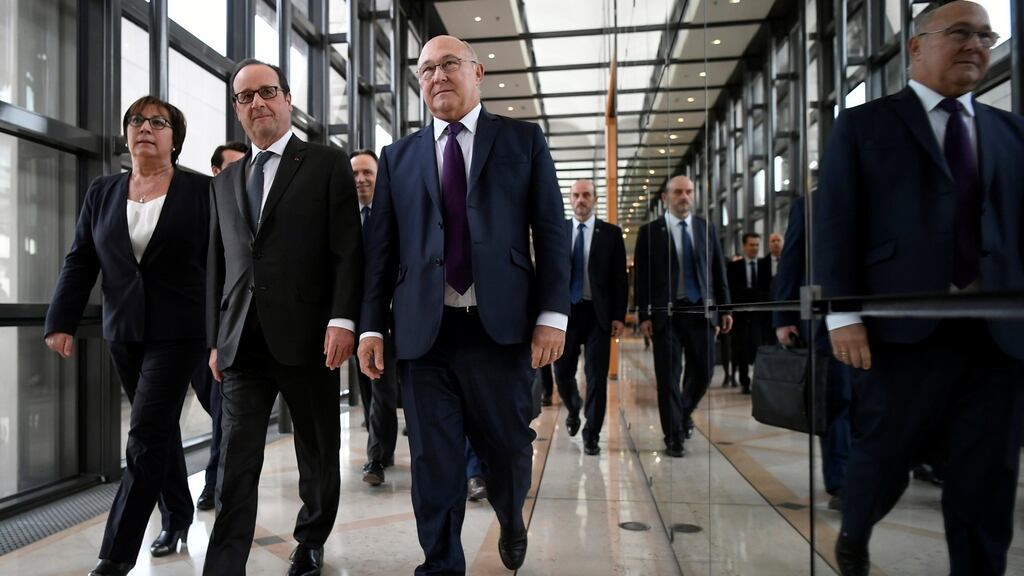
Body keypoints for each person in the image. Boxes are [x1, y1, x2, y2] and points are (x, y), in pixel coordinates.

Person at [813, 3, 1024, 575]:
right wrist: (842, 315)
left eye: (986, 35)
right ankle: (855, 530)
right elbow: (836, 223)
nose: (976, 45)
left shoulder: (1010, 131)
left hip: (996, 335)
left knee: (989, 476)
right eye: (959, 32)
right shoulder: (866, 124)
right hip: (903, 328)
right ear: (915, 45)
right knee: (885, 455)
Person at [357, 35, 568, 574]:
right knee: (434, 459)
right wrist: (370, 327)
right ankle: (441, 563)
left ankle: (510, 515)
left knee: (507, 449)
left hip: (500, 329)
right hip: (424, 334)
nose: (437, 76)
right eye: (426, 69)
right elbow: (381, 251)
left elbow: (550, 231)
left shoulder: (522, 141)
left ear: (478, 73)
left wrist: (552, 315)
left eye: (449, 64)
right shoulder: (398, 157)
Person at [204, 59, 363, 576]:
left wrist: (342, 319)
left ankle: (311, 538)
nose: (258, 104)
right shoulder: (226, 181)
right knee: (235, 460)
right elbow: (218, 266)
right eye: (246, 97)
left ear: (287, 99)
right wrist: (215, 338)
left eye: (267, 92)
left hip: (309, 336)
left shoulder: (324, 163)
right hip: (241, 343)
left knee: (316, 448)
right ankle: (225, 562)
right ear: (237, 109)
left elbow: (346, 250)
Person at [44, 96, 209, 576]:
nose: (146, 128)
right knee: (157, 432)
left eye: (158, 122)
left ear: (174, 140)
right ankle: (177, 514)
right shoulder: (103, 191)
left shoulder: (201, 191)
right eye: (137, 120)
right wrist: (61, 320)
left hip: (181, 332)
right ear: (126, 133)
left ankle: (116, 555)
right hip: (124, 331)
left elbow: (222, 263)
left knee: (141, 435)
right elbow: (81, 258)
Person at [633, 175, 732, 458]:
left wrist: (724, 309)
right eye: (678, 192)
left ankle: (683, 412)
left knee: (704, 372)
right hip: (668, 316)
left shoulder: (705, 229)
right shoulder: (650, 232)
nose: (684, 197)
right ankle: (673, 436)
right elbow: (642, 278)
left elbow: (717, 272)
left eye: (688, 192)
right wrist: (644, 314)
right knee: (668, 378)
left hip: (701, 313)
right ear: (666, 197)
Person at [771, 195, 851, 512]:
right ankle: (841, 481)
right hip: (826, 319)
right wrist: (784, 318)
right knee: (836, 400)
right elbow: (792, 260)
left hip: (882, 317)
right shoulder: (811, 203)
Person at [186, 140, 250, 514]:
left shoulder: (247, 211)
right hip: (193, 331)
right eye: (231, 168)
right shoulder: (199, 206)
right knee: (218, 411)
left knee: (225, 410)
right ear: (215, 171)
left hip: (231, 333)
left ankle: (215, 482)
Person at [553, 179, 627, 456]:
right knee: (562, 371)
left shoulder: (610, 233)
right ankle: (573, 407)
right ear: (570, 200)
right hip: (566, 315)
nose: (581, 200)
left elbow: (620, 279)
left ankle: (592, 434)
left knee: (597, 377)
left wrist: (619, 315)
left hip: (599, 315)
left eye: (586, 195)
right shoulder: (559, 231)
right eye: (576, 195)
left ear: (595, 199)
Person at [350, 148, 399, 486]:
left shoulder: (394, 213)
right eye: (354, 174)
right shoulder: (342, 218)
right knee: (369, 387)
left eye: (368, 172)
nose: (361, 179)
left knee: (381, 383)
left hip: (392, 315)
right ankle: (385, 449)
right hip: (355, 319)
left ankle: (375, 459)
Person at [726, 233, 763, 395]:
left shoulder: (764, 265)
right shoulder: (734, 267)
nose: (754, 248)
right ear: (744, 246)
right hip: (740, 315)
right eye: (751, 245)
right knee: (740, 348)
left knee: (759, 346)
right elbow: (731, 290)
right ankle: (744, 381)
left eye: (757, 245)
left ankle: (760, 380)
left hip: (759, 315)